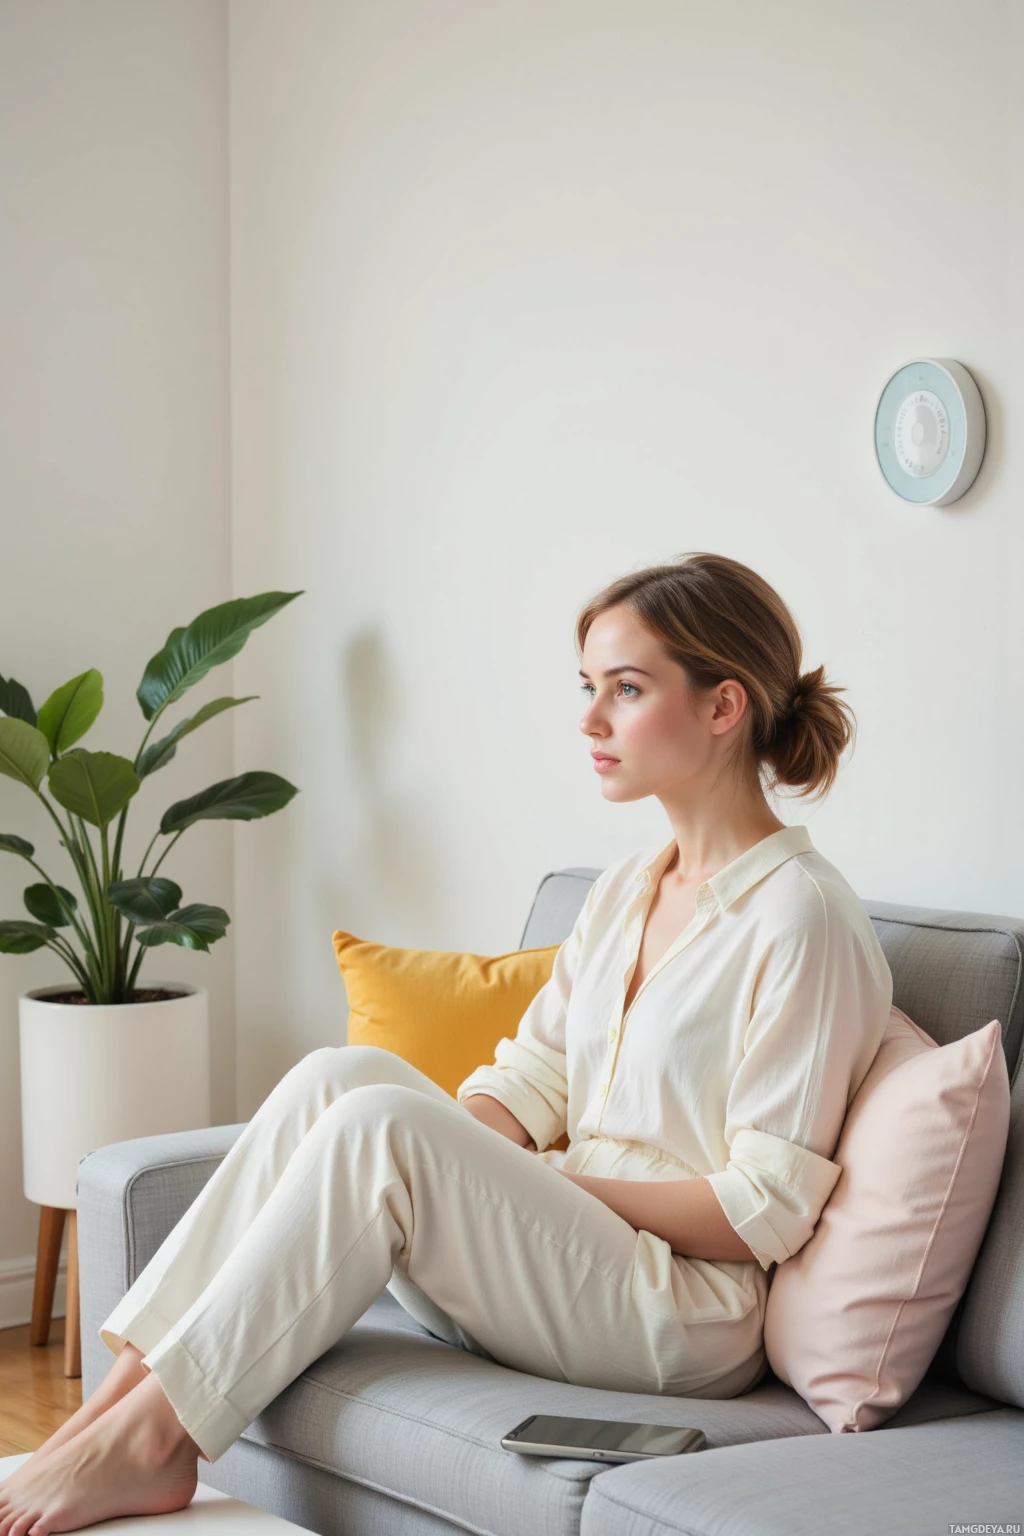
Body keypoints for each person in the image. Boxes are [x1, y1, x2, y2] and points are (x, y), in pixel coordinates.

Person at [0, 551, 893, 1532]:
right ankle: (102, 1422)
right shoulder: (627, 889)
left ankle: (155, 1445)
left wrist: (540, 1183)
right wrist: (473, 1152)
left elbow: (760, 1214)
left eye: (626, 690)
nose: (590, 720)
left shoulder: (802, 919)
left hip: (683, 1313)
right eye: (588, 688)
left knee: (383, 1122)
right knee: (339, 1079)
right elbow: (533, 1077)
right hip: (571, 1258)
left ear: (724, 707)